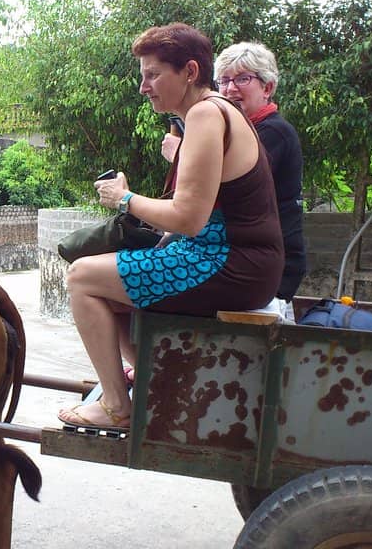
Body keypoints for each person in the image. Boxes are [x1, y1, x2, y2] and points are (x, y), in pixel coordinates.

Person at [58, 24, 284, 430]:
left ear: (190, 72)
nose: (143, 87)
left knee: (82, 278)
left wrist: (123, 198)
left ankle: (116, 406)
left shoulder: (205, 113)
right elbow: (196, 212)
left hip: (226, 262)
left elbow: (188, 218)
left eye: (153, 75)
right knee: (108, 288)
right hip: (234, 259)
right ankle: (155, 378)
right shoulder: (217, 111)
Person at [162, 42, 306, 319]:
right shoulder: (241, 129)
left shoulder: (273, 132)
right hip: (237, 254)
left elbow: (220, 185)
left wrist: (181, 154)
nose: (230, 89)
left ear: (267, 88)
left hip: (263, 265)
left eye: (242, 79)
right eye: (224, 81)